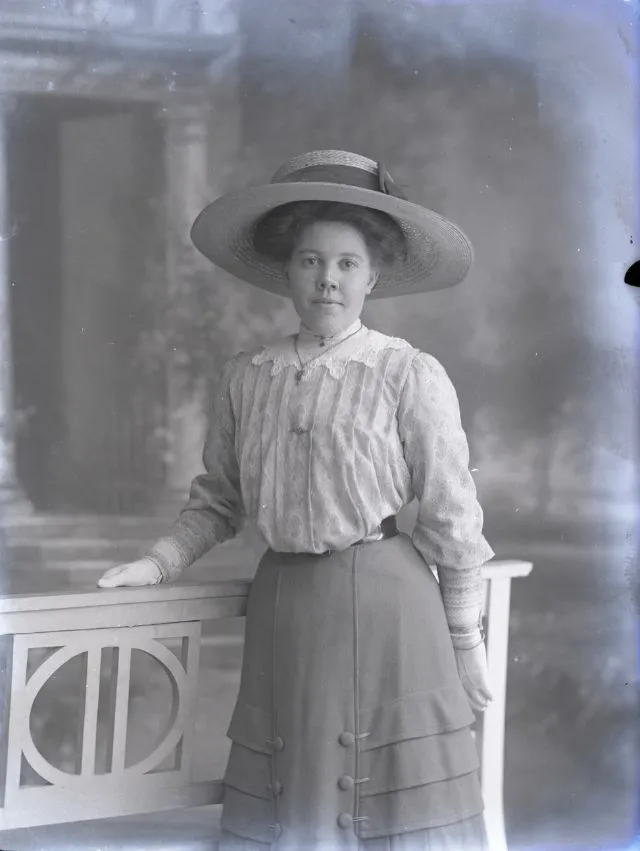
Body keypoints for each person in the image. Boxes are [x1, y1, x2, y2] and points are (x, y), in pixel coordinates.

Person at [98, 149, 495, 851]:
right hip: (286, 608)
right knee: (299, 800)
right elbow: (219, 499)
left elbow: (451, 513)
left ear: (373, 276)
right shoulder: (249, 377)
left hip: (390, 610)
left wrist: (466, 641)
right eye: (311, 260)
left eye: (346, 263)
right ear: (287, 270)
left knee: (388, 812)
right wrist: (156, 564)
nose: (327, 278)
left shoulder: (407, 373)